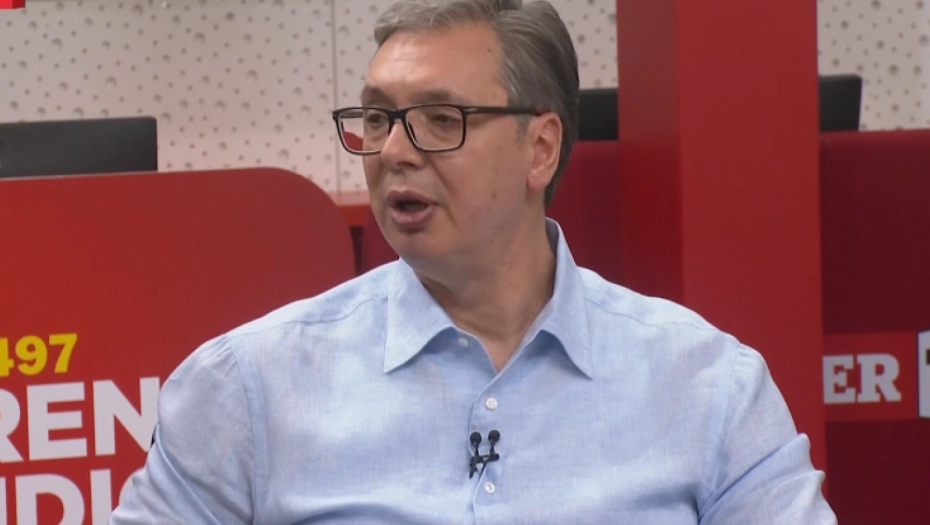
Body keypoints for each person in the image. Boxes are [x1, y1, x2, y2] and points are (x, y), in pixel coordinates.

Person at [110, 0, 838, 523]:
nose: (395, 151)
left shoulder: (709, 386)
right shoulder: (247, 388)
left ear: (540, 149)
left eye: (440, 119)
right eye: (378, 118)